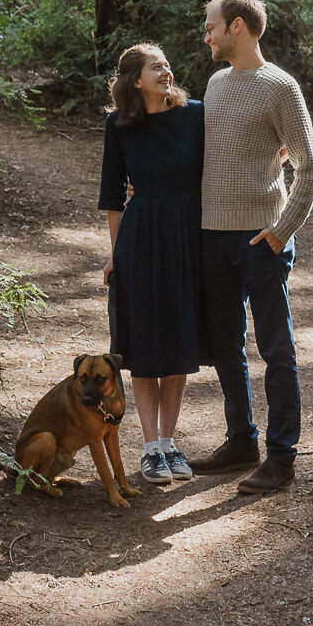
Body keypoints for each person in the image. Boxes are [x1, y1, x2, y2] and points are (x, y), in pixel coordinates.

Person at [187, 0, 313, 495]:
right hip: (212, 237)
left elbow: (310, 167)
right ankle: (240, 440)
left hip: (261, 239)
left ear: (237, 27)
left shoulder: (279, 87)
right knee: (225, 344)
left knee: (275, 348)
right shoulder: (217, 83)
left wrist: (283, 228)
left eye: (212, 26)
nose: (207, 35)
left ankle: (281, 455)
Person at [99, 42, 208, 486]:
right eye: (155, 67)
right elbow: (112, 197)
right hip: (141, 236)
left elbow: (231, 153)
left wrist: (276, 149)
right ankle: (149, 448)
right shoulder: (119, 125)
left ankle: (170, 443)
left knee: (178, 338)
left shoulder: (195, 114)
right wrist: (116, 254)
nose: (165, 71)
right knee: (144, 342)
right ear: (135, 80)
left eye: (167, 63)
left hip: (187, 235)